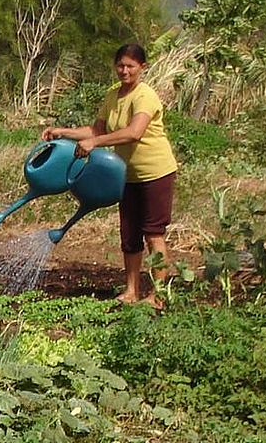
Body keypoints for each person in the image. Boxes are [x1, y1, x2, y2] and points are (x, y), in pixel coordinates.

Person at [42, 43, 179, 306]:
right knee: (129, 235)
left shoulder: (145, 96)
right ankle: (131, 291)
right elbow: (96, 130)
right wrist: (63, 132)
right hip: (125, 175)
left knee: (153, 233)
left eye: (130, 66)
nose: (124, 71)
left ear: (142, 67)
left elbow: (133, 132)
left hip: (155, 173)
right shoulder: (112, 95)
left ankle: (158, 294)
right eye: (120, 65)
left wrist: (96, 143)